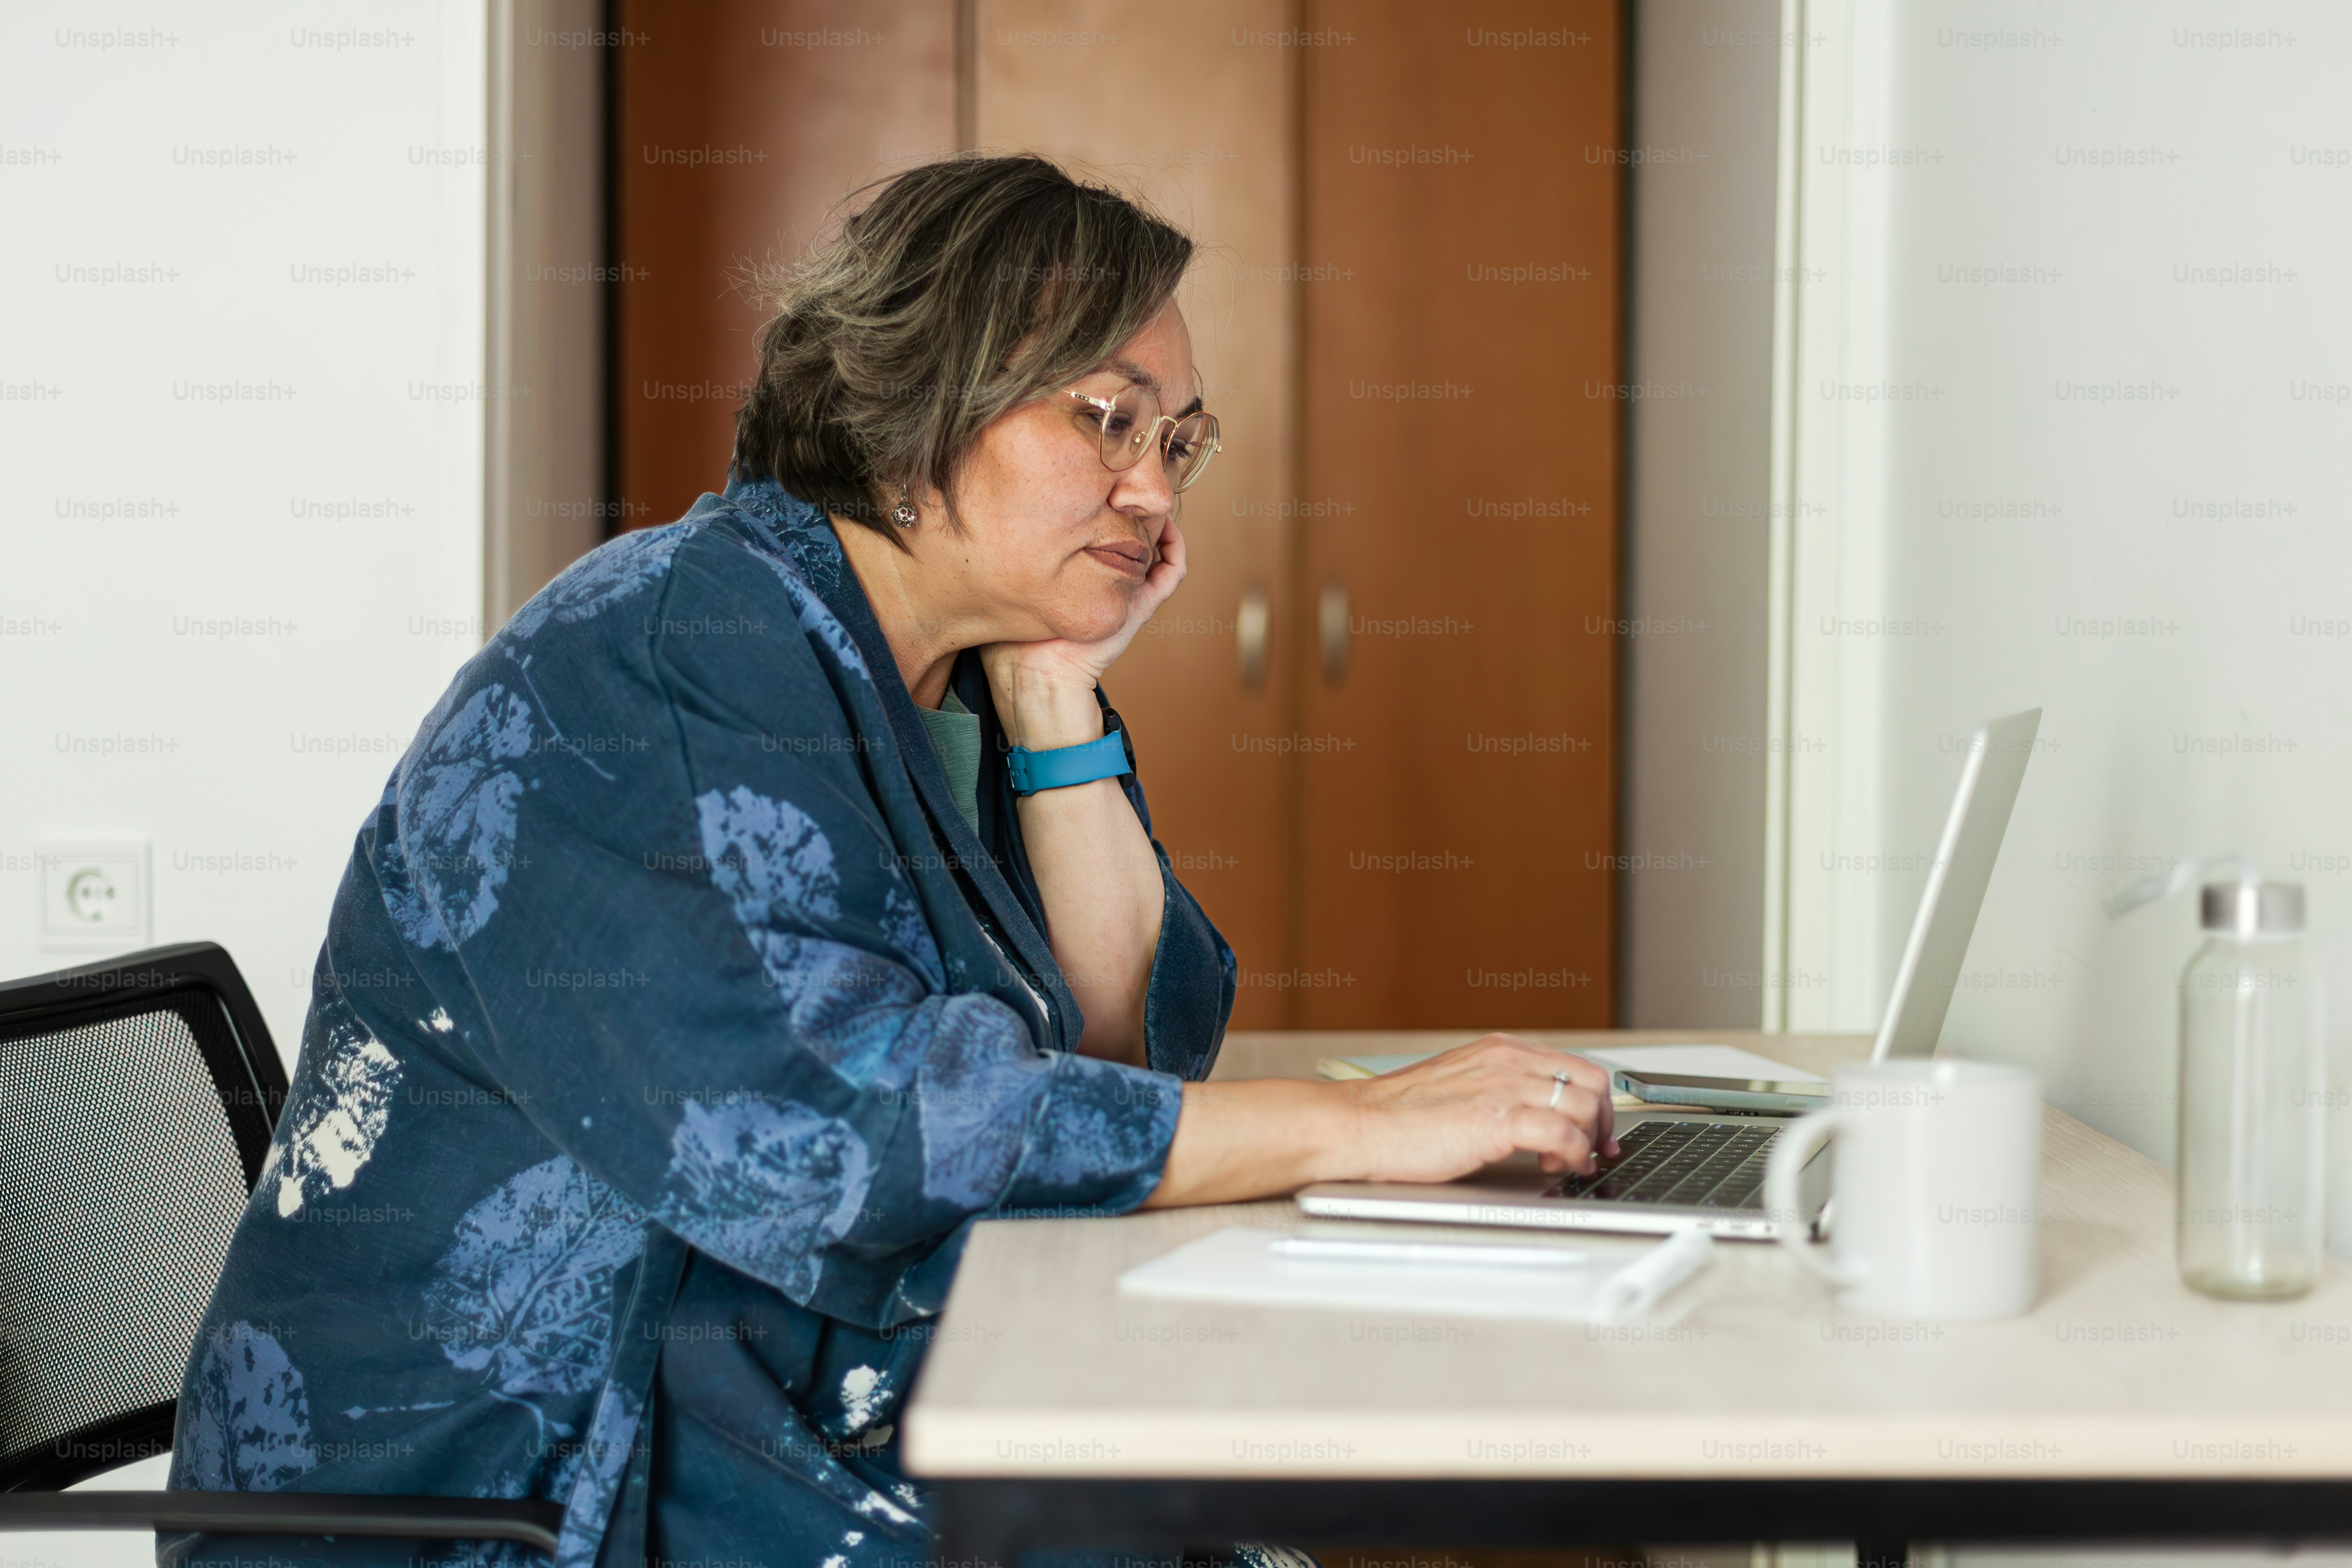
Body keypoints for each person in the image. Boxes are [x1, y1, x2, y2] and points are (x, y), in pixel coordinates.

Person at [166, 154, 1614, 1568]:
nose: (1158, 493)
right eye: (1109, 420)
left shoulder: (945, 676)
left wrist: (1058, 694)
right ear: (921, 410)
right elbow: (840, 1139)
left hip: (752, 1379)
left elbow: (1122, 1051)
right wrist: (1358, 1129)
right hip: (523, 1472)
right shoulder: (668, 656)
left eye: (1179, 442)